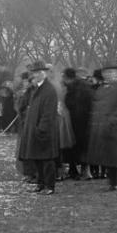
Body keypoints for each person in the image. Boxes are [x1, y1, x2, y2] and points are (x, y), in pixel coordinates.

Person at [86, 63, 117, 191]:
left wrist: (111, 120)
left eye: (111, 72)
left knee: (115, 156)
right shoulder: (102, 88)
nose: (108, 75)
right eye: (106, 72)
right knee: (107, 156)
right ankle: (112, 181)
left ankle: (116, 181)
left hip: (115, 128)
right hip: (101, 127)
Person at [18, 61, 59, 194]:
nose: (34, 75)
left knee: (47, 160)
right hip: (34, 129)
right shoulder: (35, 89)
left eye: (36, 73)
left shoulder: (49, 90)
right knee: (37, 159)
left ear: (43, 73)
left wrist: (40, 129)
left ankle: (49, 186)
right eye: (33, 73)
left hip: (44, 131)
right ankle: (41, 184)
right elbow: (24, 106)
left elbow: (48, 113)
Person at [62, 68, 93, 179]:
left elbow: (74, 103)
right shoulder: (79, 86)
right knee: (77, 146)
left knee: (79, 146)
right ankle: (74, 170)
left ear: (67, 77)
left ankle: (84, 171)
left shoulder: (78, 88)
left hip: (80, 120)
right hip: (79, 120)